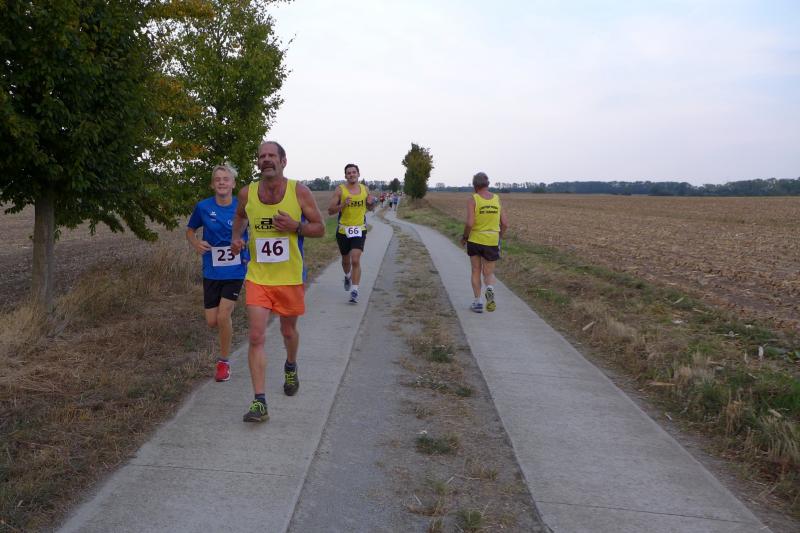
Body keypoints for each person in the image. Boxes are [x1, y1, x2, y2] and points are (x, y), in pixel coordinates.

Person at [230, 141, 325, 423]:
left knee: (287, 331)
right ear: (258, 163)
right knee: (256, 336)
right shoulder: (247, 192)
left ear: (283, 161)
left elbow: (320, 228)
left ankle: (291, 365)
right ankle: (259, 402)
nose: (267, 159)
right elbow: (240, 217)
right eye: (262, 156)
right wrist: (236, 238)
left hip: (290, 277)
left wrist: (296, 227)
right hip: (258, 277)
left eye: (272, 155)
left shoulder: (299, 192)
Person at [186, 163, 248, 382]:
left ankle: (223, 362)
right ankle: (225, 320)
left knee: (223, 316)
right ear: (213, 184)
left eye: (226, 179)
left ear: (233, 183)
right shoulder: (203, 207)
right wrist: (196, 244)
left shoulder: (242, 207)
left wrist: (245, 248)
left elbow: (253, 233)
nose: (222, 182)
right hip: (211, 269)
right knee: (212, 321)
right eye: (218, 179)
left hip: (235, 268)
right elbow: (190, 230)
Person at [327, 163, 376, 303]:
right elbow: (330, 211)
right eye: (349, 173)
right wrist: (343, 204)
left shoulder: (365, 189)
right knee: (345, 260)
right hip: (343, 230)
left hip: (359, 229)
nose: (351, 175)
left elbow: (370, 208)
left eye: (354, 172)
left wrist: (371, 203)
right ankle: (347, 276)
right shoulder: (340, 190)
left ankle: (354, 291)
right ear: (345, 176)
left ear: (358, 174)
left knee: (355, 259)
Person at [461, 172, 508, 313]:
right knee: (488, 273)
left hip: (475, 239)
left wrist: (464, 237)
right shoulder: (497, 199)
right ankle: (490, 290)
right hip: (492, 240)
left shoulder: (473, 199)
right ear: (487, 184)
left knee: (475, 270)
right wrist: (499, 237)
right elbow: (505, 223)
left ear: (475, 186)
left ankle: (478, 303)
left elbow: (470, 223)